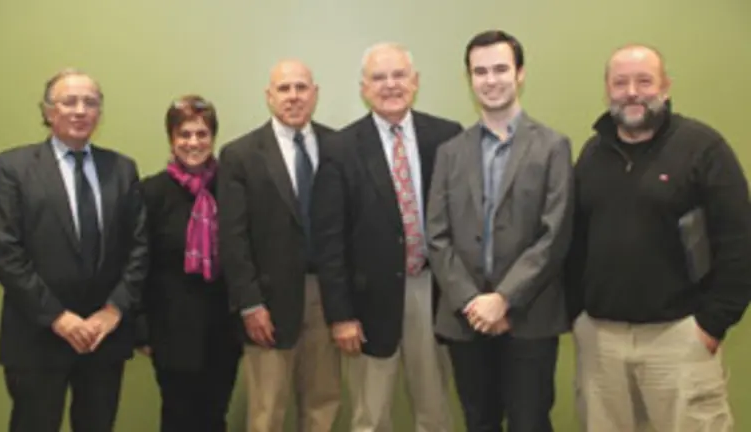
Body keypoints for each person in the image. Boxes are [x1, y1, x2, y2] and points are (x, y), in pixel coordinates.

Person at [567, 44, 751, 432]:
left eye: (644, 81)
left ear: (665, 88)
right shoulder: (592, 154)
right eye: (620, 82)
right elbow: (574, 240)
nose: (632, 91)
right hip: (602, 343)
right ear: (607, 91)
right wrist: (576, 315)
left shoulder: (703, 148)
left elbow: (739, 241)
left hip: (679, 338)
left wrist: (712, 324)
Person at [426, 30, 574, 432]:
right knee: (479, 421)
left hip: (531, 316)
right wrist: (474, 302)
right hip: (465, 319)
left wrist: (504, 299)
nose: (491, 80)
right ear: (470, 79)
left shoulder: (553, 147)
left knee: (530, 422)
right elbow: (436, 236)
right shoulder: (450, 152)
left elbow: (554, 233)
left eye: (500, 69)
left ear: (520, 74)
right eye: (480, 72)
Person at [311, 42, 463, 432]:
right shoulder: (339, 148)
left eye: (399, 75)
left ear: (415, 82)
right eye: (379, 77)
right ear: (364, 88)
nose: (390, 85)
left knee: (436, 412)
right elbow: (329, 241)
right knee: (370, 417)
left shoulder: (447, 137)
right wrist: (341, 315)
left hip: (432, 293)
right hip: (367, 304)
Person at [0, 68, 148, 432]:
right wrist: (59, 318)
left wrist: (113, 310)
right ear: (47, 111)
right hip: (38, 335)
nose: (79, 110)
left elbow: (139, 249)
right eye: (69, 101)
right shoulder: (13, 167)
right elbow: (5, 252)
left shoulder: (122, 169)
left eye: (90, 102)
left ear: (99, 113)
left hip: (103, 337)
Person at [217, 60, 341, 432]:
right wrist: (250, 303)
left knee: (323, 402)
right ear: (269, 96)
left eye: (301, 88)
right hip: (267, 303)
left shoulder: (338, 146)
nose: (293, 97)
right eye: (284, 89)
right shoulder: (240, 154)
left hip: (326, 296)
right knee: (267, 410)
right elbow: (232, 237)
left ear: (315, 94)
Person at [136, 95, 242, 432]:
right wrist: (141, 328)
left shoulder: (233, 187)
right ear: (171, 139)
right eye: (184, 134)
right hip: (170, 329)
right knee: (178, 416)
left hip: (223, 327)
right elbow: (137, 263)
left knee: (214, 416)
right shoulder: (150, 192)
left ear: (213, 137)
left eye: (201, 134)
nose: (193, 143)